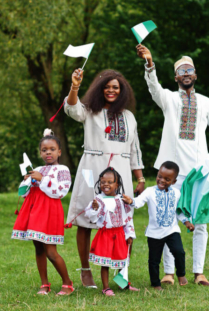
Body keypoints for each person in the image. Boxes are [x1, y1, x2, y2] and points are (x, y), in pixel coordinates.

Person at [136, 44, 209, 286]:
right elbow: (153, 88)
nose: (186, 73)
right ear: (176, 77)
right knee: (167, 222)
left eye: (190, 70)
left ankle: (199, 273)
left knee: (200, 224)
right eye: (181, 70)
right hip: (171, 174)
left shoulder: (207, 103)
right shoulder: (169, 99)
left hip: (199, 173)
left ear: (195, 75)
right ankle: (168, 272)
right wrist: (149, 64)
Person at [64, 68, 145, 288]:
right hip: (92, 168)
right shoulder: (90, 111)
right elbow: (71, 109)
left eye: (115, 87)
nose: (111, 91)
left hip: (121, 170)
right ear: (100, 90)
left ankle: (122, 276)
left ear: (122, 91)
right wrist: (75, 85)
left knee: (123, 223)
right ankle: (85, 270)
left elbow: (135, 148)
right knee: (86, 220)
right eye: (107, 87)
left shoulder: (129, 117)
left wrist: (140, 178)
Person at [11, 129, 74, 296]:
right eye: (44, 150)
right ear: (40, 153)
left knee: (51, 252)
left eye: (52, 149)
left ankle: (68, 283)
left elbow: (60, 191)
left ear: (59, 152)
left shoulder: (63, 170)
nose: (48, 153)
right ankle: (44, 283)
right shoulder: (37, 168)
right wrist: (26, 181)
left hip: (49, 211)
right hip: (34, 211)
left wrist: (41, 179)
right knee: (38, 248)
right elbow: (24, 193)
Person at [123, 161, 195, 290]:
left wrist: (187, 222)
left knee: (179, 252)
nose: (161, 180)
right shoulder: (150, 191)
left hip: (172, 230)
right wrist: (131, 201)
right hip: (154, 233)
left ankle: (181, 274)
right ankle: (156, 283)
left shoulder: (177, 193)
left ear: (174, 181)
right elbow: (138, 202)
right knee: (154, 260)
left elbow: (179, 211)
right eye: (159, 176)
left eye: (167, 179)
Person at [84, 167, 138, 296]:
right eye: (103, 182)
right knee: (105, 262)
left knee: (122, 261)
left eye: (110, 182)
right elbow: (91, 216)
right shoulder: (98, 200)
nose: (106, 185)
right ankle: (106, 287)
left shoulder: (122, 200)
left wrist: (129, 234)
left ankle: (123, 284)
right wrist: (95, 208)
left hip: (120, 234)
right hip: (106, 235)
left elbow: (128, 219)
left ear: (117, 184)